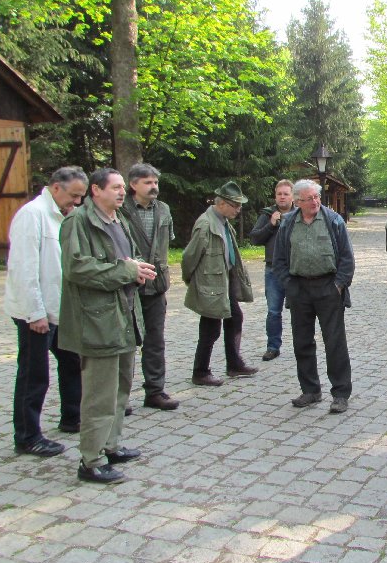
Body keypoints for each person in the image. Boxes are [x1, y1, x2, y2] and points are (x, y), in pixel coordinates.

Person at [59, 167, 157, 484]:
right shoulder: (79, 222)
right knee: (99, 395)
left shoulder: (119, 219)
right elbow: (76, 268)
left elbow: (128, 258)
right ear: (96, 190)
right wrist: (125, 271)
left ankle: (111, 445)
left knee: (121, 389)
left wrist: (138, 269)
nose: (121, 192)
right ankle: (90, 460)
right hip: (98, 321)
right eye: (115, 187)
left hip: (125, 316)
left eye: (122, 187)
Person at [4, 166, 87, 457]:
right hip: (36, 314)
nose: (77, 202)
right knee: (34, 374)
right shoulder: (32, 215)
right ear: (56, 187)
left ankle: (72, 417)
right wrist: (34, 313)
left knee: (72, 361)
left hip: (59, 309)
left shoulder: (64, 216)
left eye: (81, 197)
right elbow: (24, 269)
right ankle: (27, 436)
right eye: (74, 195)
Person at [273, 180, 355, 413]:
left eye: (317, 197)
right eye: (309, 198)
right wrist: (289, 285)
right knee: (302, 342)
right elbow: (279, 260)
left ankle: (340, 394)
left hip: (328, 287)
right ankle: (310, 390)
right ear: (297, 201)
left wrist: (338, 285)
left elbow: (347, 258)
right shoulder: (288, 223)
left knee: (335, 343)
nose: (315, 202)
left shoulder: (334, 220)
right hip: (299, 288)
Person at [182, 181, 258, 387]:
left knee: (235, 317)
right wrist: (193, 281)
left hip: (225, 280)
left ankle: (234, 364)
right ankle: (200, 371)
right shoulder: (206, 224)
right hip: (211, 283)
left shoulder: (223, 222)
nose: (239, 209)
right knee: (210, 327)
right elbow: (189, 257)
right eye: (236, 205)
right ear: (222, 203)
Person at [120, 163, 178, 411]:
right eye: (148, 182)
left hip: (156, 284)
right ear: (133, 184)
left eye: (155, 182)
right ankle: (120, 397)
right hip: (127, 284)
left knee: (155, 340)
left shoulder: (163, 209)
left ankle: (155, 391)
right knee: (126, 342)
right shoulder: (121, 210)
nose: (154, 187)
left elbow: (167, 243)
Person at [250, 179, 295, 361]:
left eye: (286, 194)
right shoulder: (268, 214)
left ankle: (302, 345)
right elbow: (254, 238)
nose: (282, 197)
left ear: (292, 196)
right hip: (273, 270)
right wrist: (271, 224)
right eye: (279, 194)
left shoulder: (299, 214)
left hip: (295, 271)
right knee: (273, 311)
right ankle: (273, 346)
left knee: (300, 310)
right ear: (275, 196)